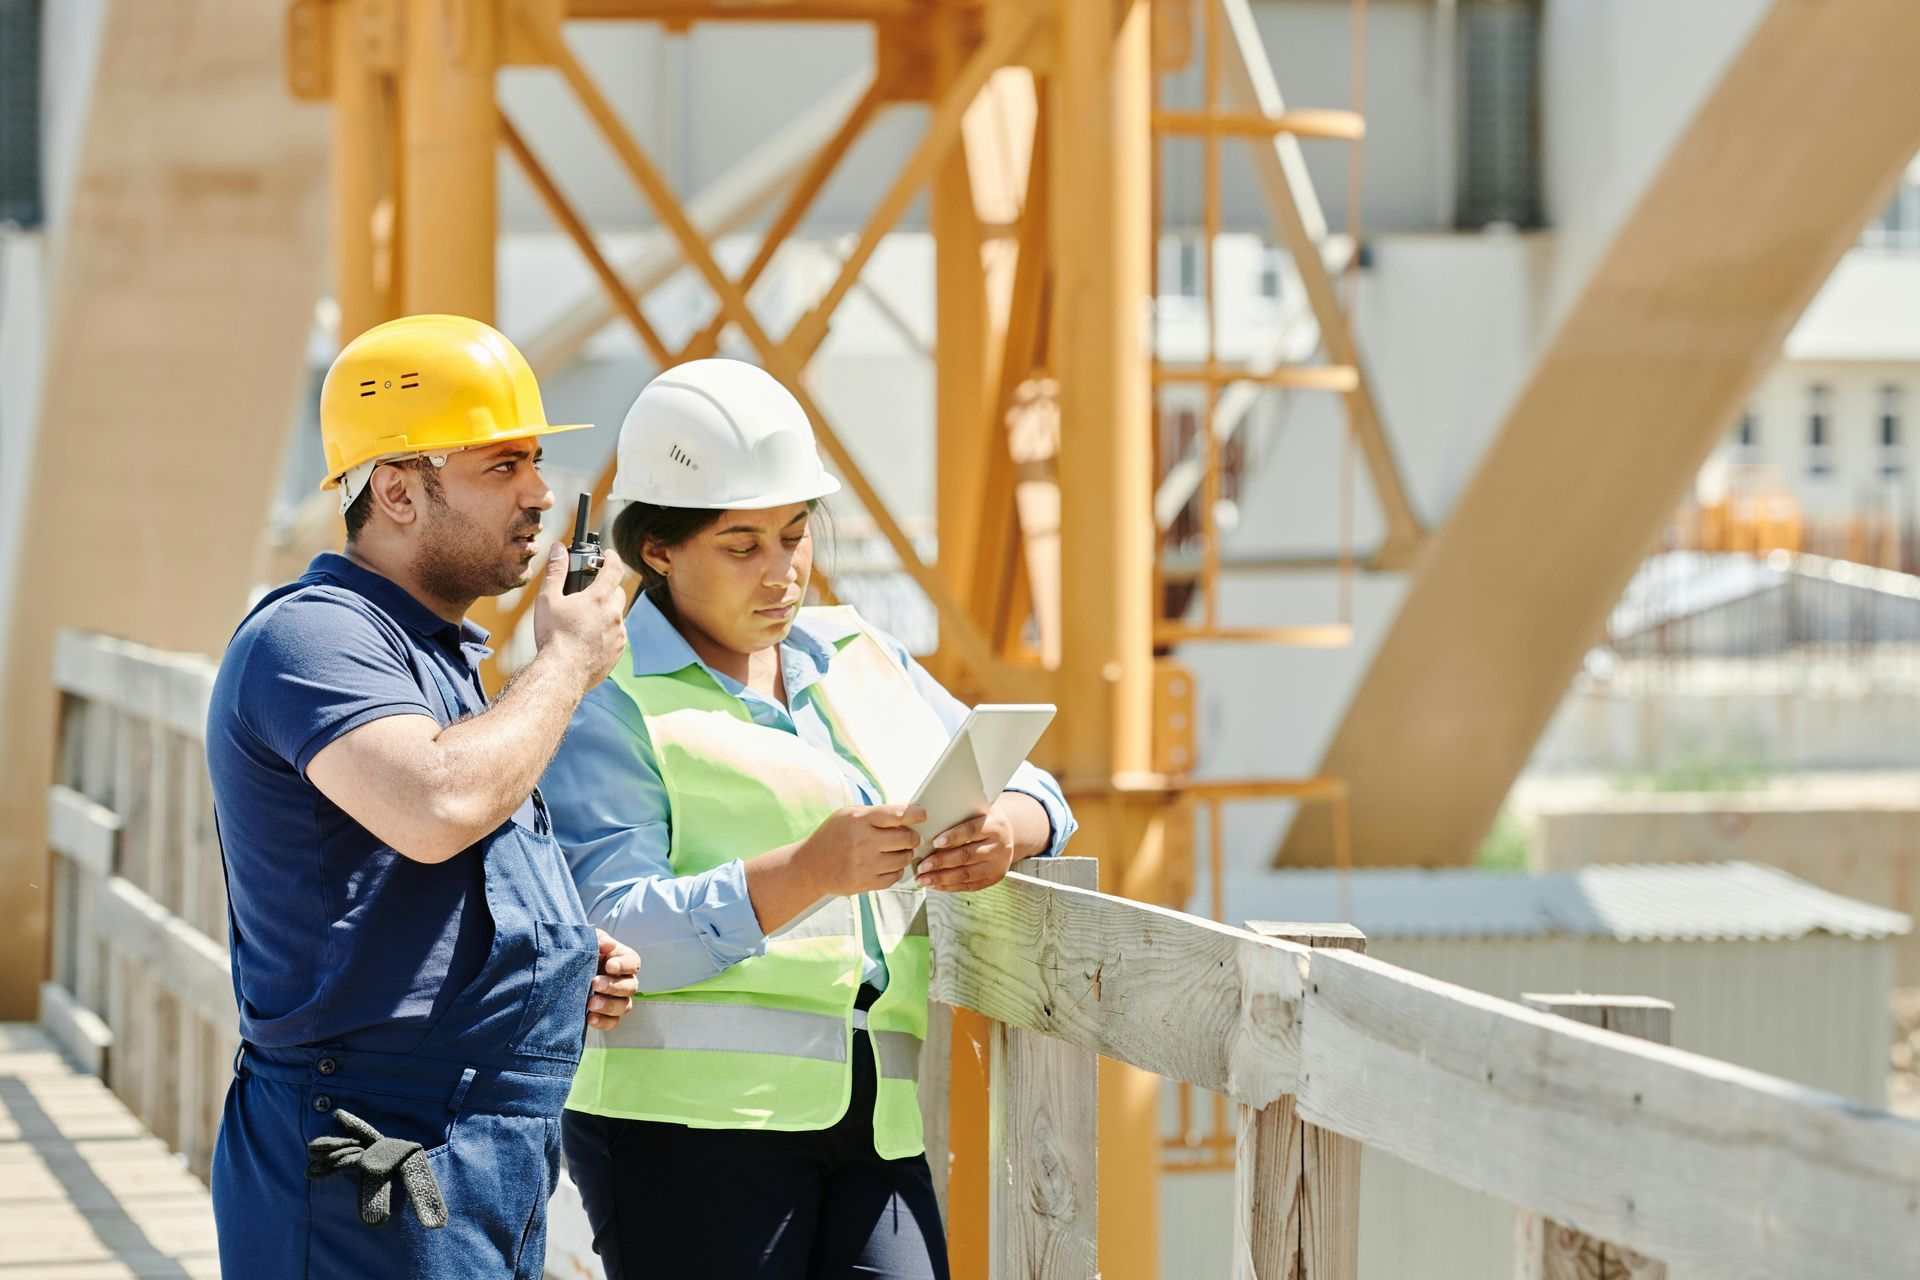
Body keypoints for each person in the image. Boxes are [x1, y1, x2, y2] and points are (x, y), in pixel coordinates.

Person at [542, 358, 1079, 1280]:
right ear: (658, 552)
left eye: (795, 537)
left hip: (874, 1115)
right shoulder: (606, 701)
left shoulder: (858, 650)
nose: (783, 573)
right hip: (686, 1135)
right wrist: (808, 873)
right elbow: (609, 932)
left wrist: (1010, 828)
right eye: (742, 546)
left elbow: (1036, 785)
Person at [205, 314, 642, 1278]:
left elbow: (435, 864)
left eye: (534, 461)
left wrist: (556, 956)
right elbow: (439, 805)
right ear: (397, 490)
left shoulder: (438, 658)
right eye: (501, 466)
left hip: (468, 1144)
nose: (539, 494)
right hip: (369, 1144)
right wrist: (567, 660)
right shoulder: (312, 639)